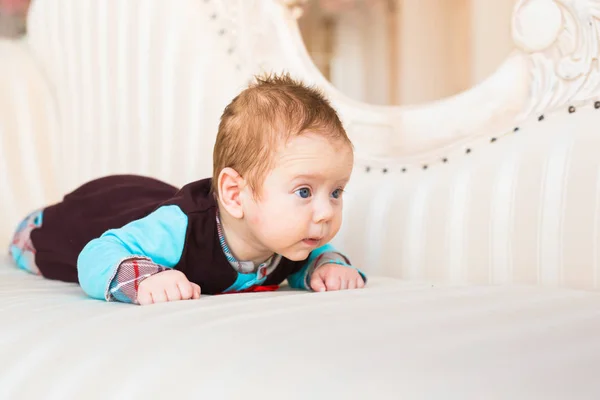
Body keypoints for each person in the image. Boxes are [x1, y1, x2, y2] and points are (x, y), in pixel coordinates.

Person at [8, 73, 366, 305]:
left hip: (157, 199)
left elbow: (307, 258)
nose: (325, 213)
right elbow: (95, 256)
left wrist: (328, 266)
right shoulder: (178, 229)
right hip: (68, 224)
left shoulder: (291, 236)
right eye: (305, 191)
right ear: (235, 194)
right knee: (42, 239)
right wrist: (146, 281)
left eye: (336, 192)